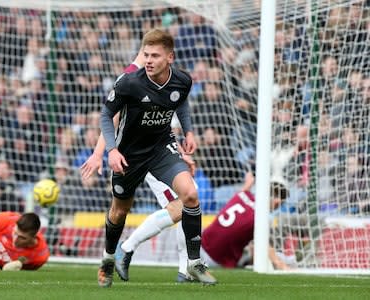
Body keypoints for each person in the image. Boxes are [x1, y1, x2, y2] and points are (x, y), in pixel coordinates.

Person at [96, 28, 215, 287]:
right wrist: (111, 150)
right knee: (119, 211)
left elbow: (180, 102)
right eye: (146, 55)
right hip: (130, 155)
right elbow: (106, 115)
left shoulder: (182, 80)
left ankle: (194, 264)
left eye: (155, 56)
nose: (148, 60)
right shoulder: (129, 83)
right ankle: (108, 258)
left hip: (162, 148)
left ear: (169, 57)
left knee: (190, 194)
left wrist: (189, 131)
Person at [200, 172, 291, 271]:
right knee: (257, 250)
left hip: (200, 245)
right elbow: (265, 246)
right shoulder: (260, 218)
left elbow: (245, 188)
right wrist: (280, 264)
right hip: (217, 260)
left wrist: (249, 181)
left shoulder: (242, 194)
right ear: (278, 202)